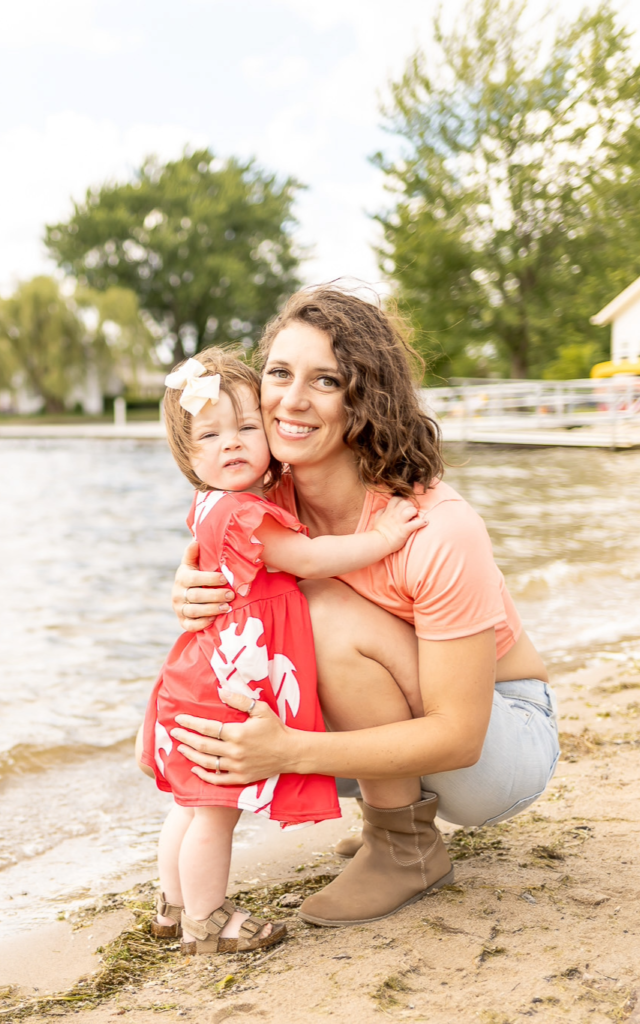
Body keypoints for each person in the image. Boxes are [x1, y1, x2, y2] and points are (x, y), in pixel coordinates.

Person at [168, 285, 560, 927]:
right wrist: (188, 591)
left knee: (317, 608)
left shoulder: (435, 528)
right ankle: (391, 814)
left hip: (496, 744)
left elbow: (459, 737)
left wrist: (288, 751)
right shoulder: (261, 503)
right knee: (219, 674)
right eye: (279, 373)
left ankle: (403, 847)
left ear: (365, 396)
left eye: (325, 380)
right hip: (419, 722)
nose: (291, 401)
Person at [141, 347, 427, 954]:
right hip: (226, 682)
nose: (234, 443)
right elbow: (307, 559)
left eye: (248, 427)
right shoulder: (244, 512)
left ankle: (171, 905)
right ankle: (208, 919)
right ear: (189, 457)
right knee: (215, 811)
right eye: (212, 435)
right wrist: (383, 538)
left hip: (200, 672)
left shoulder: (220, 503)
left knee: (191, 804)